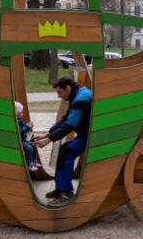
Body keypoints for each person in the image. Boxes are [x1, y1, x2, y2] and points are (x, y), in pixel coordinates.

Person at [33, 76, 92, 206]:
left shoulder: (80, 101)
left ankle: (66, 193)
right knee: (63, 150)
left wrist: (49, 140)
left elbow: (70, 124)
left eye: (60, 92)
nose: (59, 96)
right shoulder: (78, 93)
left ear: (68, 88)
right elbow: (66, 117)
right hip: (86, 133)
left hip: (90, 136)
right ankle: (61, 188)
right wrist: (48, 133)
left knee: (66, 154)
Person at [16, 101, 40, 172]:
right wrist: (27, 127)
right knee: (29, 148)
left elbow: (22, 128)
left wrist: (26, 125)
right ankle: (29, 164)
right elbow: (19, 132)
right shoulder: (16, 121)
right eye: (20, 112)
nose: (22, 113)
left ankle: (34, 162)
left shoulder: (19, 120)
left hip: (23, 139)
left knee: (33, 146)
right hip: (20, 140)